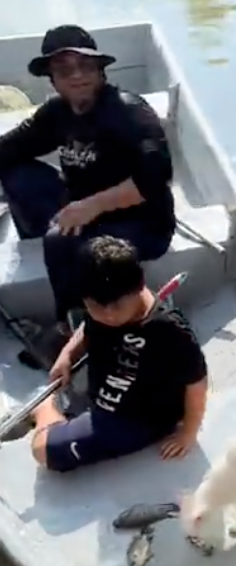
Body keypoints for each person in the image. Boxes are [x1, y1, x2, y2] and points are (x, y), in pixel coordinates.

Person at [0, 24, 176, 356]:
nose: (77, 76)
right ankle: (37, 239)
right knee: (15, 171)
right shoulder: (56, 113)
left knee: (59, 240)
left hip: (144, 222)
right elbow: (10, 148)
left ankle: (73, 329)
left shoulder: (128, 111)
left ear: (101, 70)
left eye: (86, 66)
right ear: (51, 78)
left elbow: (155, 179)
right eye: (64, 69)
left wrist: (91, 207)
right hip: (84, 205)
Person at [28, 235, 208, 472]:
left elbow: (198, 383)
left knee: (42, 450)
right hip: (102, 393)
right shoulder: (100, 301)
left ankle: (44, 409)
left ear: (139, 285)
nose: (109, 316)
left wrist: (188, 432)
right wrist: (68, 354)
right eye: (96, 308)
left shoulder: (171, 331)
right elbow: (88, 326)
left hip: (138, 419)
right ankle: (66, 414)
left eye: (118, 307)